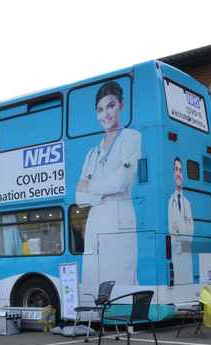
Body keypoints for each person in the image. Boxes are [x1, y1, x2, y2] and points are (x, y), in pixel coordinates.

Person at [75, 80, 141, 296]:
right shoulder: (91, 153)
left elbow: (121, 182)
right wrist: (99, 191)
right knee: (95, 280)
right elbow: (79, 197)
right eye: (100, 109)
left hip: (119, 219)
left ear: (121, 105)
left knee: (121, 280)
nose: (105, 114)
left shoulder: (131, 138)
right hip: (96, 224)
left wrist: (91, 187)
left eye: (110, 106)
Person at [167, 158, 194, 285]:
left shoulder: (187, 203)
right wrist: (182, 230)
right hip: (175, 255)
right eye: (176, 169)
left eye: (180, 170)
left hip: (185, 254)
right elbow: (171, 229)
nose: (178, 173)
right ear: (172, 174)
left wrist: (180, 230)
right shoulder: (169, 201)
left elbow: (190, 232)